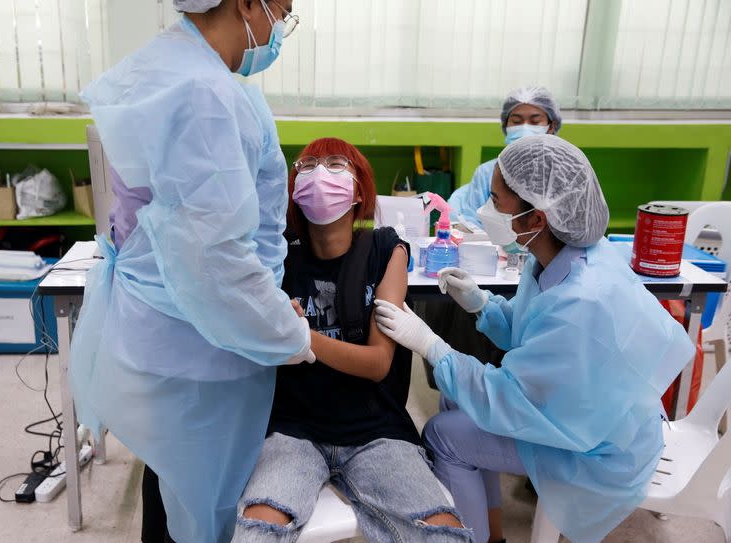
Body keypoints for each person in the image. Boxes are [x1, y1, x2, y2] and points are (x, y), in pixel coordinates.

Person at [69, 1, 314, 542]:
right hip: (200, 339)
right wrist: (283, 331)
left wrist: (265, 307)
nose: (283, 28)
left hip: (169, 327)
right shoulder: (205, 94)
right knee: (201, 502)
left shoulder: (171, 68)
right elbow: (214, 259)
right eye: (283, 11)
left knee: (172, 485)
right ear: (248, 4)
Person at [373, 135, 695, 543]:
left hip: (598, 444)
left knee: (442, 435)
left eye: (496, 201)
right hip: (592, 408)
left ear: (536, 219)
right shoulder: (563, 257)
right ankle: (493, 532)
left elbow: (507, 396)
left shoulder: (581, 302)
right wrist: (482, 305)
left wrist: (431, 345)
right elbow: (535, 330)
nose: (485, 211)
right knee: (456, 399)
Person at [232, 138, 475, 543]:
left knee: (441, 532)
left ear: (359, 188)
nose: (319, 174)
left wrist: (300, 337)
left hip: (377, 431)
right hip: (294, 430)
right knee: (258, 529)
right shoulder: (278, 258)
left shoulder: (385, 249)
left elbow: (377, 362)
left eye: (334, 163)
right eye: (306, 166)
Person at [448, 87, 562, 226]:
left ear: (551, 127)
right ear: (505, 125)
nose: (525, 127)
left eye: (535, 121)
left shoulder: (562, 173)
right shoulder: (487, 173)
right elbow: (472, 224)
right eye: (517, 121)